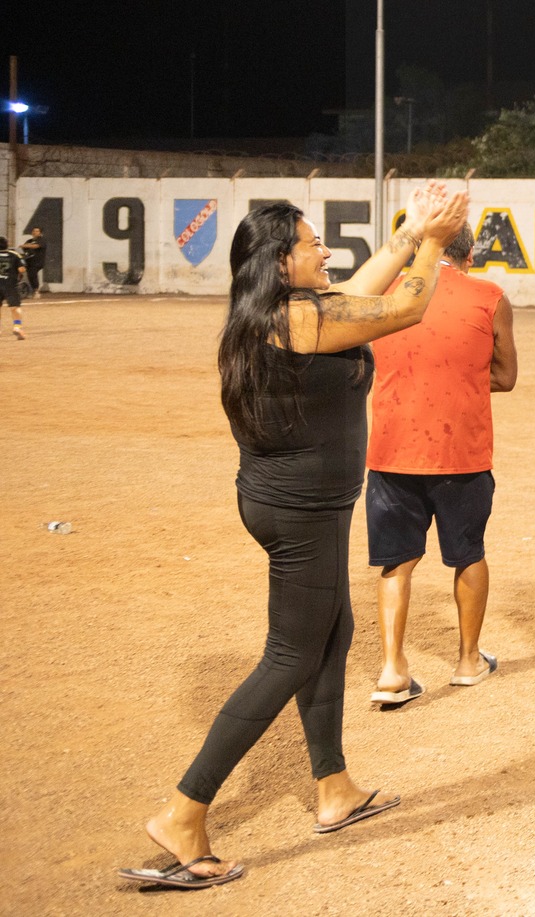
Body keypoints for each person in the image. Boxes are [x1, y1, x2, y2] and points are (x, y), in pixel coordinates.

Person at [119, 185, 469, 890]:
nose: (326, 250)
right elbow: (402, 308)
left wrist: (408, 234)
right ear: (283, 261)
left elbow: (364, 293)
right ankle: (184, 811)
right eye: (313, 244)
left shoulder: (288, 311)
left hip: (305, 501)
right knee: (289, 655)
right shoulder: (294, 320)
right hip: (300, 508)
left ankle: (334, 786)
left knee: (331, 635)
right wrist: (436, 240)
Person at [366, 220, 518, 707]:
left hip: (392, 450)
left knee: (396, 562)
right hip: (461, 452)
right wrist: (463, 379)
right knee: (468, 553)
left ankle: (391, 669)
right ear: (469, 253)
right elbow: (506, 376)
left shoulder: (382, 292)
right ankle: (468, 662)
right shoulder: (489, 296)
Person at [0, 237, 25, 338]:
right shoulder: (14, 255)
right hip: (10, 284)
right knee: (15, 307)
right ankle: (17, 327)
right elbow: (22, 269)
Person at [21, 224, 45, 295]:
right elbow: (23, 248)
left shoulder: (41, 240)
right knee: (30, 275)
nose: (35, 232)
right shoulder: (29, 240)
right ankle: (32, 290)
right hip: (29, 261)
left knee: (32, 273)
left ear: (40, 233)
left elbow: (36, 246)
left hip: (37, 262)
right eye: (34, 231)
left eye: (37, 231)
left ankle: (36, 291)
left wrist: (26, 245)